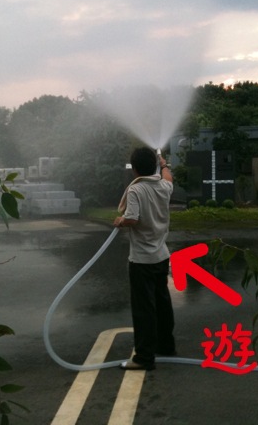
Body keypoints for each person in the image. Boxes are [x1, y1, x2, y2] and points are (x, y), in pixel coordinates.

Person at [113, 147, 176, 371]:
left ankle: (144, 358)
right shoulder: (163, 186)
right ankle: (166, 345)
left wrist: (120, 221)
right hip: (161, 256)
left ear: (135, 169)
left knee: (143, 309)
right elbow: (168, 178)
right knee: (162, 302)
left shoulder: (136, 189)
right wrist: (164, 164)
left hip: (142, 260)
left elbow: (132, 218)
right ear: (155, 166)